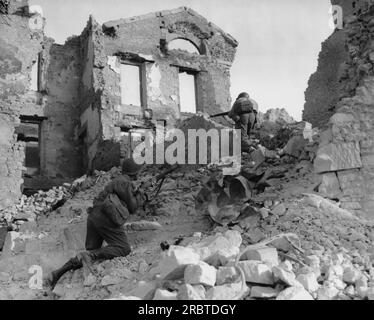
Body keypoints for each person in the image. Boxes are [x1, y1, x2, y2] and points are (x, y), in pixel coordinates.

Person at [45, 157, 145, 290]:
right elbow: (133, 207)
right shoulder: (125, 183)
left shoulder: (117, 181)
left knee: (89, 252)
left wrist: (138, 191)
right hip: (106, 219)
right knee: (123, 248)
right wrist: (143, 194)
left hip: (94, 216)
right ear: (135, 172)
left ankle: (57, 273)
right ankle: (90, 256)